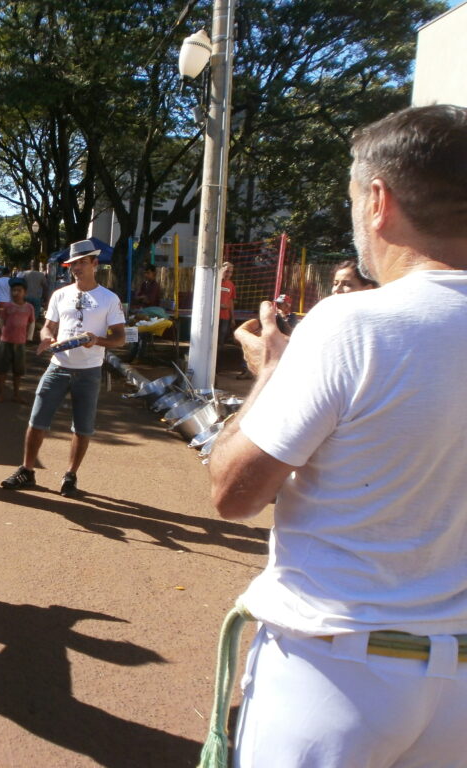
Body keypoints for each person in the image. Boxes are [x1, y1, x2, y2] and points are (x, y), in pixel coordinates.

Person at [208, 104, 467, 768]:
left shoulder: (353, 323)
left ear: (377, 200)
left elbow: (234, 492)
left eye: (353, 199)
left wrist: (270, 372)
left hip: (337, 673)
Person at [1, 239, 125, 496]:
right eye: (72, 264)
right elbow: (49, 326)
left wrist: (97, 340)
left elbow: (120, 338)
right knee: (37, 420)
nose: (76, 268)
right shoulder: (60, 294)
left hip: (90, 371)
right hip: (58, 366)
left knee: (83, 427)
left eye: (81, 263)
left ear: (94, 263)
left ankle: (70, 475)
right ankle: (27, 470)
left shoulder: (109, 299)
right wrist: (46, 336)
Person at [0, 277, 34, 403]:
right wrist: (2, 332)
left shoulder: (29, 308)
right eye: (14, 290)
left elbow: (31, 323)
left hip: (20, 343)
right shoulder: (8, 306)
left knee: (18, 371)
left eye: (19, 290)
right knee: (2, 370)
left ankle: (16, 394)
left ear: (24, 292)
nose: (16, 293)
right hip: (5, 342)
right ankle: (0, 394)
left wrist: (29, 337)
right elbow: (0, 321)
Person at [20, 261, 49, 328]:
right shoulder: (41, 275)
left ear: (30, 265)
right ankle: (32, 330)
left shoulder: (24, 274)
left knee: (24, 314)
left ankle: (24, 327)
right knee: (34, 316)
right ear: (37, 266)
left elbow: (19, 284)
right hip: (37, 298)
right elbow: (45, 287)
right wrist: (45, 298)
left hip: (25, 297)